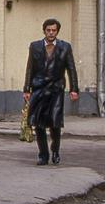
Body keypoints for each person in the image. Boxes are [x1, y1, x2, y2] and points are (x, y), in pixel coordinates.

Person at [23, 18, 79, 165]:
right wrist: (26, 88)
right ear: (44, 31)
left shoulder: (65, 47)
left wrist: (74, 89)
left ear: (57, 31)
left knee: (55, 122)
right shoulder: (35, 46)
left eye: (54, 30)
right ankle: (43, 154)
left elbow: (71, 68)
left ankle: (55, 150)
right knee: (38, 123)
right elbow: (30, 68)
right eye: (48, 30)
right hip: (39, 89)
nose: (51, 33)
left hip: (56, 89)